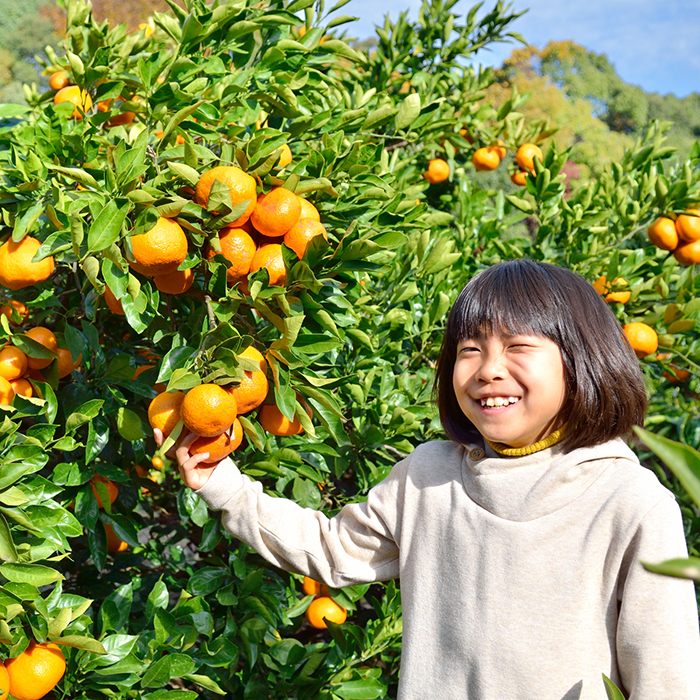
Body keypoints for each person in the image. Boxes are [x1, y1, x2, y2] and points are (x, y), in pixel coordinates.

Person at [156, 259, 700, 699]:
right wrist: (222, 483)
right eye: (470, 349)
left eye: (518, 347)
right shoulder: (429, 476)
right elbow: (330, 549)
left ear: (582, 362)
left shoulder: (629, 503)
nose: (489, 369)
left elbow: (666, 677)